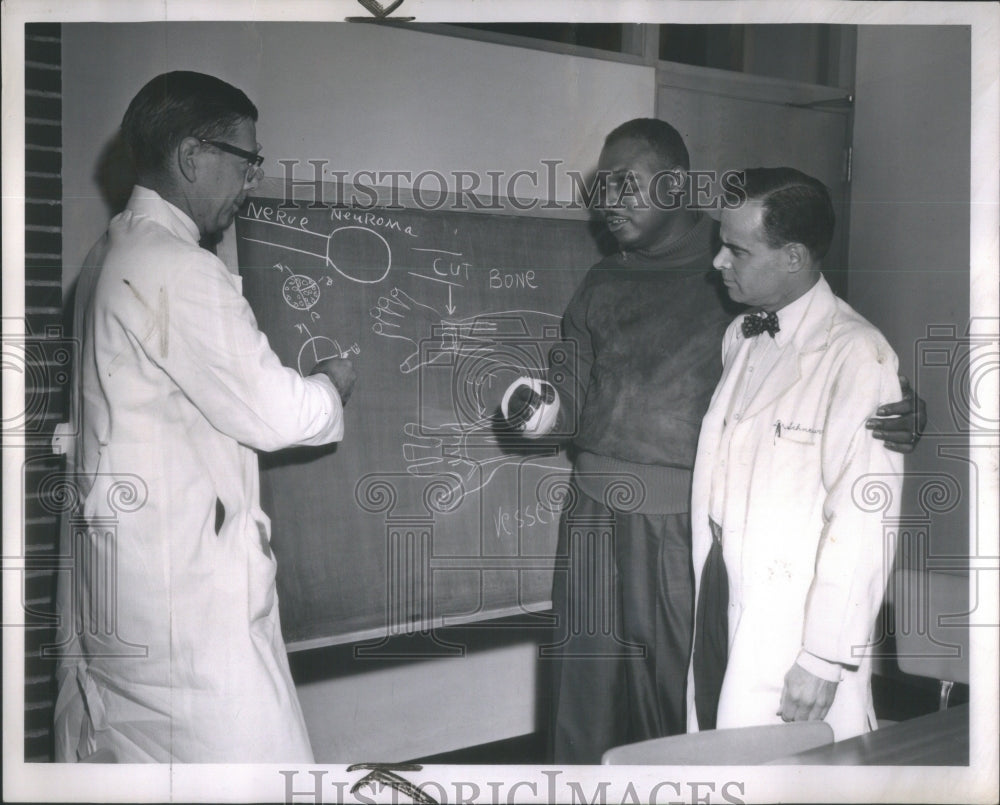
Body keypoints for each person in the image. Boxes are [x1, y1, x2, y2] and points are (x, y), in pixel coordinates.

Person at [503, 119, 923, 763]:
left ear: (674, 185)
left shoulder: (741, 262)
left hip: (680, 527)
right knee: (580, 693)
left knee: (676, 703)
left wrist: (902, 406)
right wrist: (535, 411)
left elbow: (831, 345)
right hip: (592, 516)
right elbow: (572, 398)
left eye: (626, 183)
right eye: (601, 185)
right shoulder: (605, 282)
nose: (606, 200)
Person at [53, 71, 356, 763]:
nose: (252, 179)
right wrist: (331, 384)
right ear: (194, 154)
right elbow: (280, 414)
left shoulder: (108, 254)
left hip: (129, 601)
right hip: (188, 616)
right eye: (246, 159)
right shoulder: (177, 269)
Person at [687, 167, 902, 740]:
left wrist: (824, 658)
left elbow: (865, 516)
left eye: (736, 250)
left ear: (794, 257)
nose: (718, 263)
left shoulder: (857, 354)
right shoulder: (741, 335)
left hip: (796, 624)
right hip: (721, 587)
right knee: (715, 753)